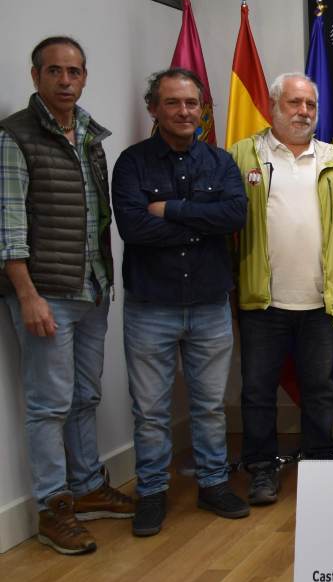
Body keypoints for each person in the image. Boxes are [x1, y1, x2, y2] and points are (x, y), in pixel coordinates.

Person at [0, 36, 133, 553]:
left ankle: (86, 488)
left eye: (73, 72)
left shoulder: (89, 138)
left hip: (91, 287)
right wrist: (26, 294)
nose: (65, 81)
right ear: (36, 76)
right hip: (46, 293)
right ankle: (54, 506)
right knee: (48, 404)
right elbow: (9, 224)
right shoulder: (15, 136)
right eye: (54, 71)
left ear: (84, 77)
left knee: (85, 396)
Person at [111, 68, 250, 536]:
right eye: (173, 103)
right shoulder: (131, 163)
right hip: (151, 305)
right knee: (150, 411)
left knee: (210, 406)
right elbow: (133, 228)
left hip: (209, 302)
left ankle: (213, 484)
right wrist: (202, 221)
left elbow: (235, 215)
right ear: (154, 108)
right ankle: (151, 492)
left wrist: (170, 209)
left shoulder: (220, 161)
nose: (185, 111)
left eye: (192, 103)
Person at [229, 73, 333, 505]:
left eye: (310, 104)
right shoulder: (242, 155)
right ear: (273, 105)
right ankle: (261, 468)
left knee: (319, 387)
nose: (303, 112)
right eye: (293, 103)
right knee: (256, 389)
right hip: (262, 299)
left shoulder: (332, 159)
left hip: (318, 300)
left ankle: (319, 462)